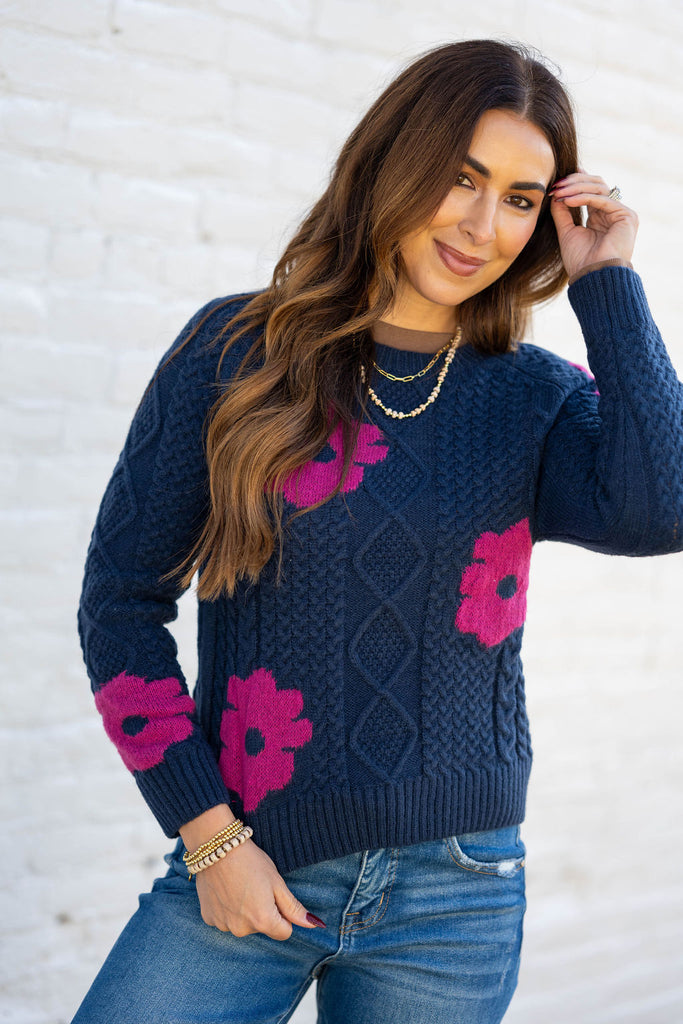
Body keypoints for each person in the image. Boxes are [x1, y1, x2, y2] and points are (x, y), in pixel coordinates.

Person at [72, 38, 683, 1024]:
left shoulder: (534, 398)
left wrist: (606, 283)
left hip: (456, 894)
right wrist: (209, 839)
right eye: (459, 178)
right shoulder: (234, 352)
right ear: (394, 161)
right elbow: (119, 606)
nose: (481, 225)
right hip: (248, 858)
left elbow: (664, 507)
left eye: (519, 199)